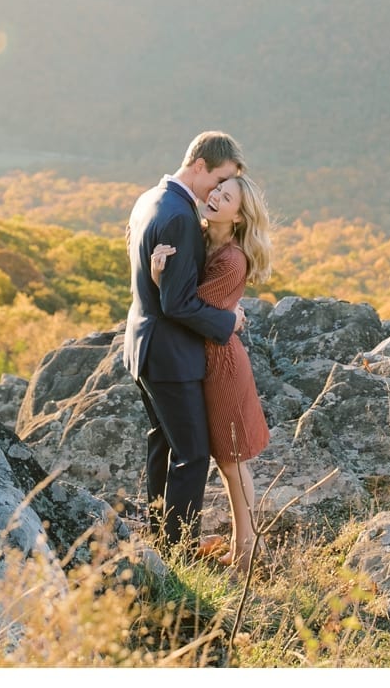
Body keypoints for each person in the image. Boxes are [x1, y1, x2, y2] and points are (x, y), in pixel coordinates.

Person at [122, 131, 246, 551]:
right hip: (169, 355)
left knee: (163, 441)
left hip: (142, 346)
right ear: (199, 167)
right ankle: (179, 553)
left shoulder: (149, 199)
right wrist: (226, 322)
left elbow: (154, 284)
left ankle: (159, 537)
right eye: (219, 180)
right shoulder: (179, 216)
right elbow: (177, 304)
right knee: (192, 454)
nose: (218, 191)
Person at [150, 173, 273, 573]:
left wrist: (160, 279)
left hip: (221, 365)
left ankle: (246, 553)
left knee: (232, 460)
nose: (216, 196)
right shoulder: (203, 238)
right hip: (201, 359)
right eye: (217, 190)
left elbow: (189, 306)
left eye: (228, 196)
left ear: (239, 216)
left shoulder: (232, 259)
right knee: (224, 459)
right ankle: (241, 549)